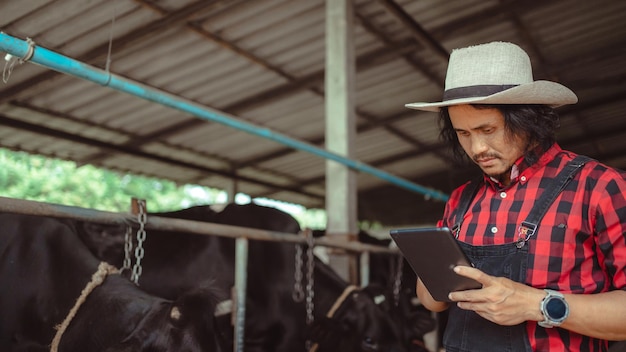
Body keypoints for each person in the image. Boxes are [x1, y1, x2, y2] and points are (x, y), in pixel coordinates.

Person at [405, 41, 626, 351]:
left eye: (488, 129)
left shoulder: (599, 187)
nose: (477, 148)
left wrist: (536, 304)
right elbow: (434, 302)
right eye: (463, 134)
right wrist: (429, 262)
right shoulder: (461, 200)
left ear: (528, 119)